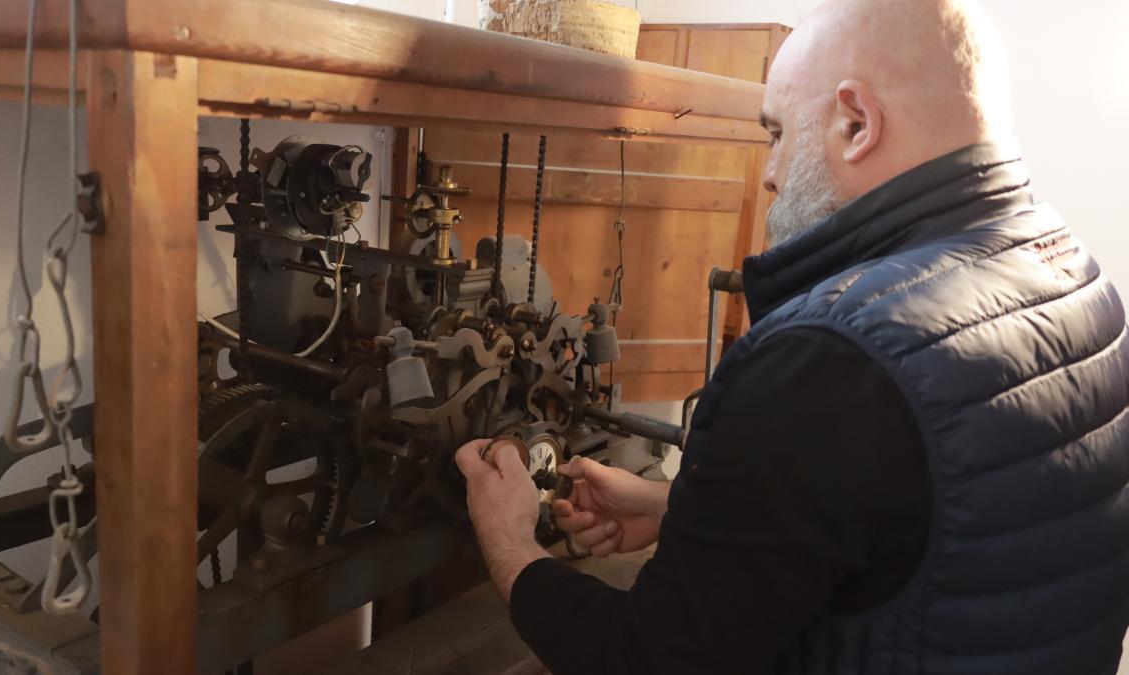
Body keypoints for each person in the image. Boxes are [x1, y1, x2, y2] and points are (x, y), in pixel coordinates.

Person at [454, 0, 1129, 672]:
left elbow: (645, 659)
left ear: (856, 123)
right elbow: (956, 518)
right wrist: (690, 508)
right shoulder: (1071, 270)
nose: (771, 171)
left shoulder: (829, 357)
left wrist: (512, 543)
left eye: (776, 133)